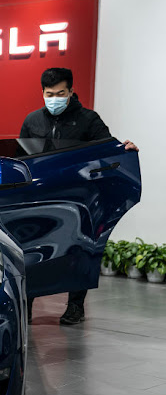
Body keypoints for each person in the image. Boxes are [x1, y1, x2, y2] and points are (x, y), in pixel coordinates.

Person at [20, 67, 138, 325]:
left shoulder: (89, 119)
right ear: (42, 93)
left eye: (60, 93)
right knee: (31, 249)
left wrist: (125, 148)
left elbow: (109, 149)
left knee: (80, 248)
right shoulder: (32, 121)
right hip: (41, 196)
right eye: (49, 94)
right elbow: (22, 157)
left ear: (71, 91)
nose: (55, 99)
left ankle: (75, 306)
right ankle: (26, 304)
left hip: (78, 196)